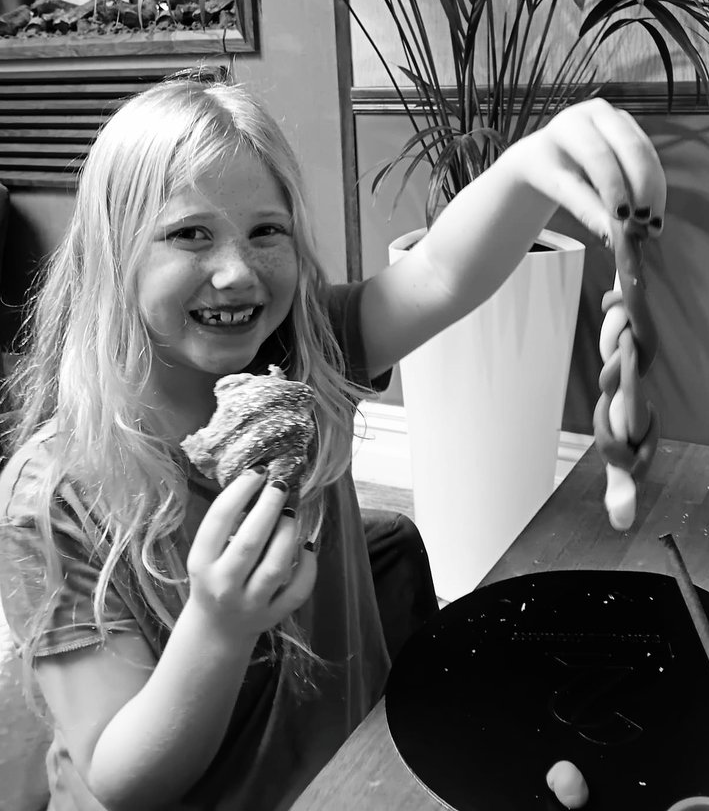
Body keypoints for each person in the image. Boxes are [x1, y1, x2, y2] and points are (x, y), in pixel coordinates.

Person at [0, 75, 665, 811]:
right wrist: (218, 629)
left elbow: (439, 272)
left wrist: (533, 162)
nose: (236, 271)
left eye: (266, 231)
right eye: (190, 233)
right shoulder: (53, 496)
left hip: (353, 776)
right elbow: (123, 780)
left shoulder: (306, 356)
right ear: (111, 254)